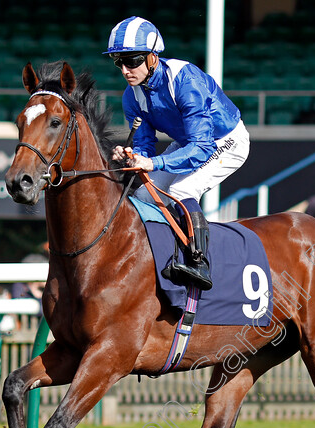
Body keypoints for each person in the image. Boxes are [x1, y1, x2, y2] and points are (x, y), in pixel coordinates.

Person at [105, 16, 250, 291]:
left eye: (132, 60)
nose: (125, 69)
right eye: (118, 62)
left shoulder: (185, 80)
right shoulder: (131, 95)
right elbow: (145, 145)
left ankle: (200, 263)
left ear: (152, 57)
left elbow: (203, 146)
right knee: (144, 195)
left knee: (184, 189)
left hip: (224, 140)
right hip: (190, 143)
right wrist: (134, 156)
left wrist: (153, 161)